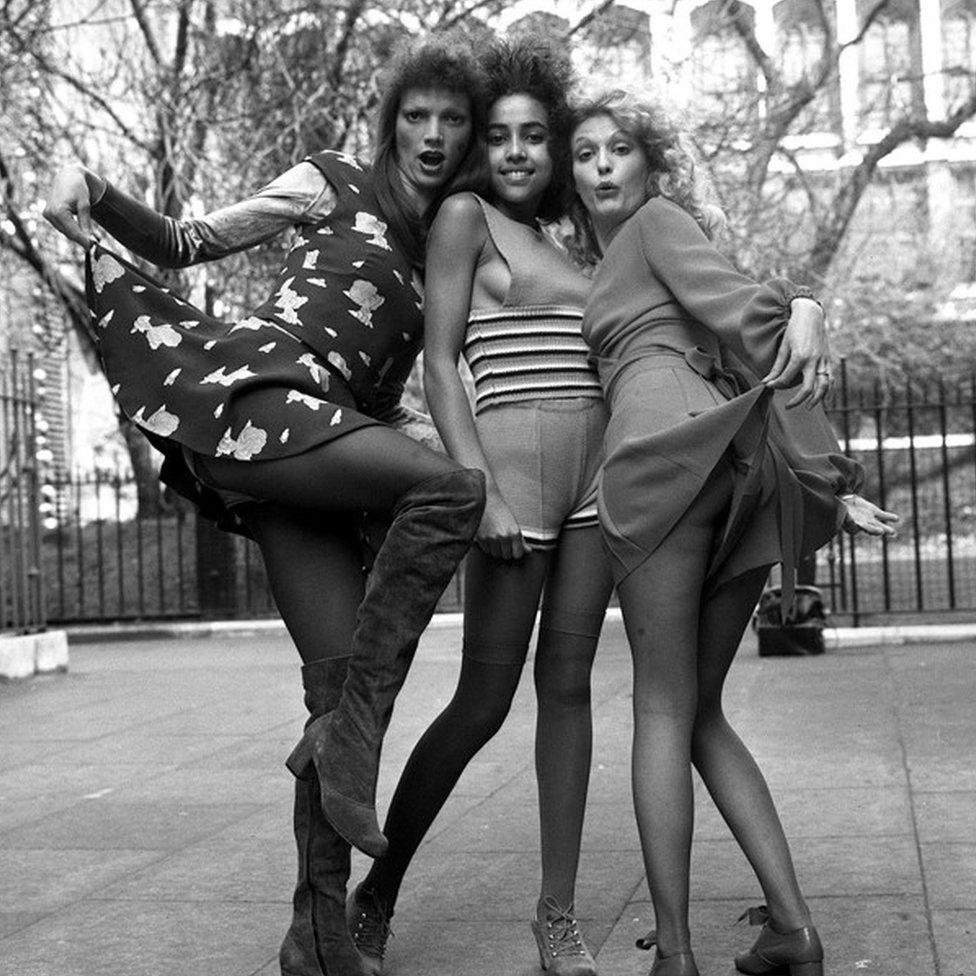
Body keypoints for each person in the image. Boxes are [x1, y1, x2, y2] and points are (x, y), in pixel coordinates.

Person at [43, 35, 490, 976]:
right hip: (259, 398)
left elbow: (384, 395)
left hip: (312, 459)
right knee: (453, 487)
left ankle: (316, 936)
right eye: (417, 115)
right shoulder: (330, 182)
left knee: (330, 688)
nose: (433, 134)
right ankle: (357, 734)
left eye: (453, 120)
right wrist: (95, 186)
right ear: (391, 122)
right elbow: (187, 241)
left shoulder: (447, 246)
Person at [568, 91, 898, 976]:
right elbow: (744, 343)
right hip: (726, 469)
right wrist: (823, 483)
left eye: (620, 149)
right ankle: (791, 928)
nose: (603, 165)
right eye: (586, 153)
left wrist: (803, 302)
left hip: (660, 463)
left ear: (649, 165)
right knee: (701, 710)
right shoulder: (614, 259)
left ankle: (674, 954)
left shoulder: (652, 225)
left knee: (660, 708)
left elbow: (753, 319)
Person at [345, 38, 612, 976]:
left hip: (596, 490)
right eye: (496, 135)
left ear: (557, 145)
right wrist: (479, 490)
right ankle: (375, 894)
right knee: (484, 702)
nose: (514, 152)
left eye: (535, 136)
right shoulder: (466, 218)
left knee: (570, 692)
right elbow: (440, 360)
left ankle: (557, 918)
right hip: (514, 485)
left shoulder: (577, 240)